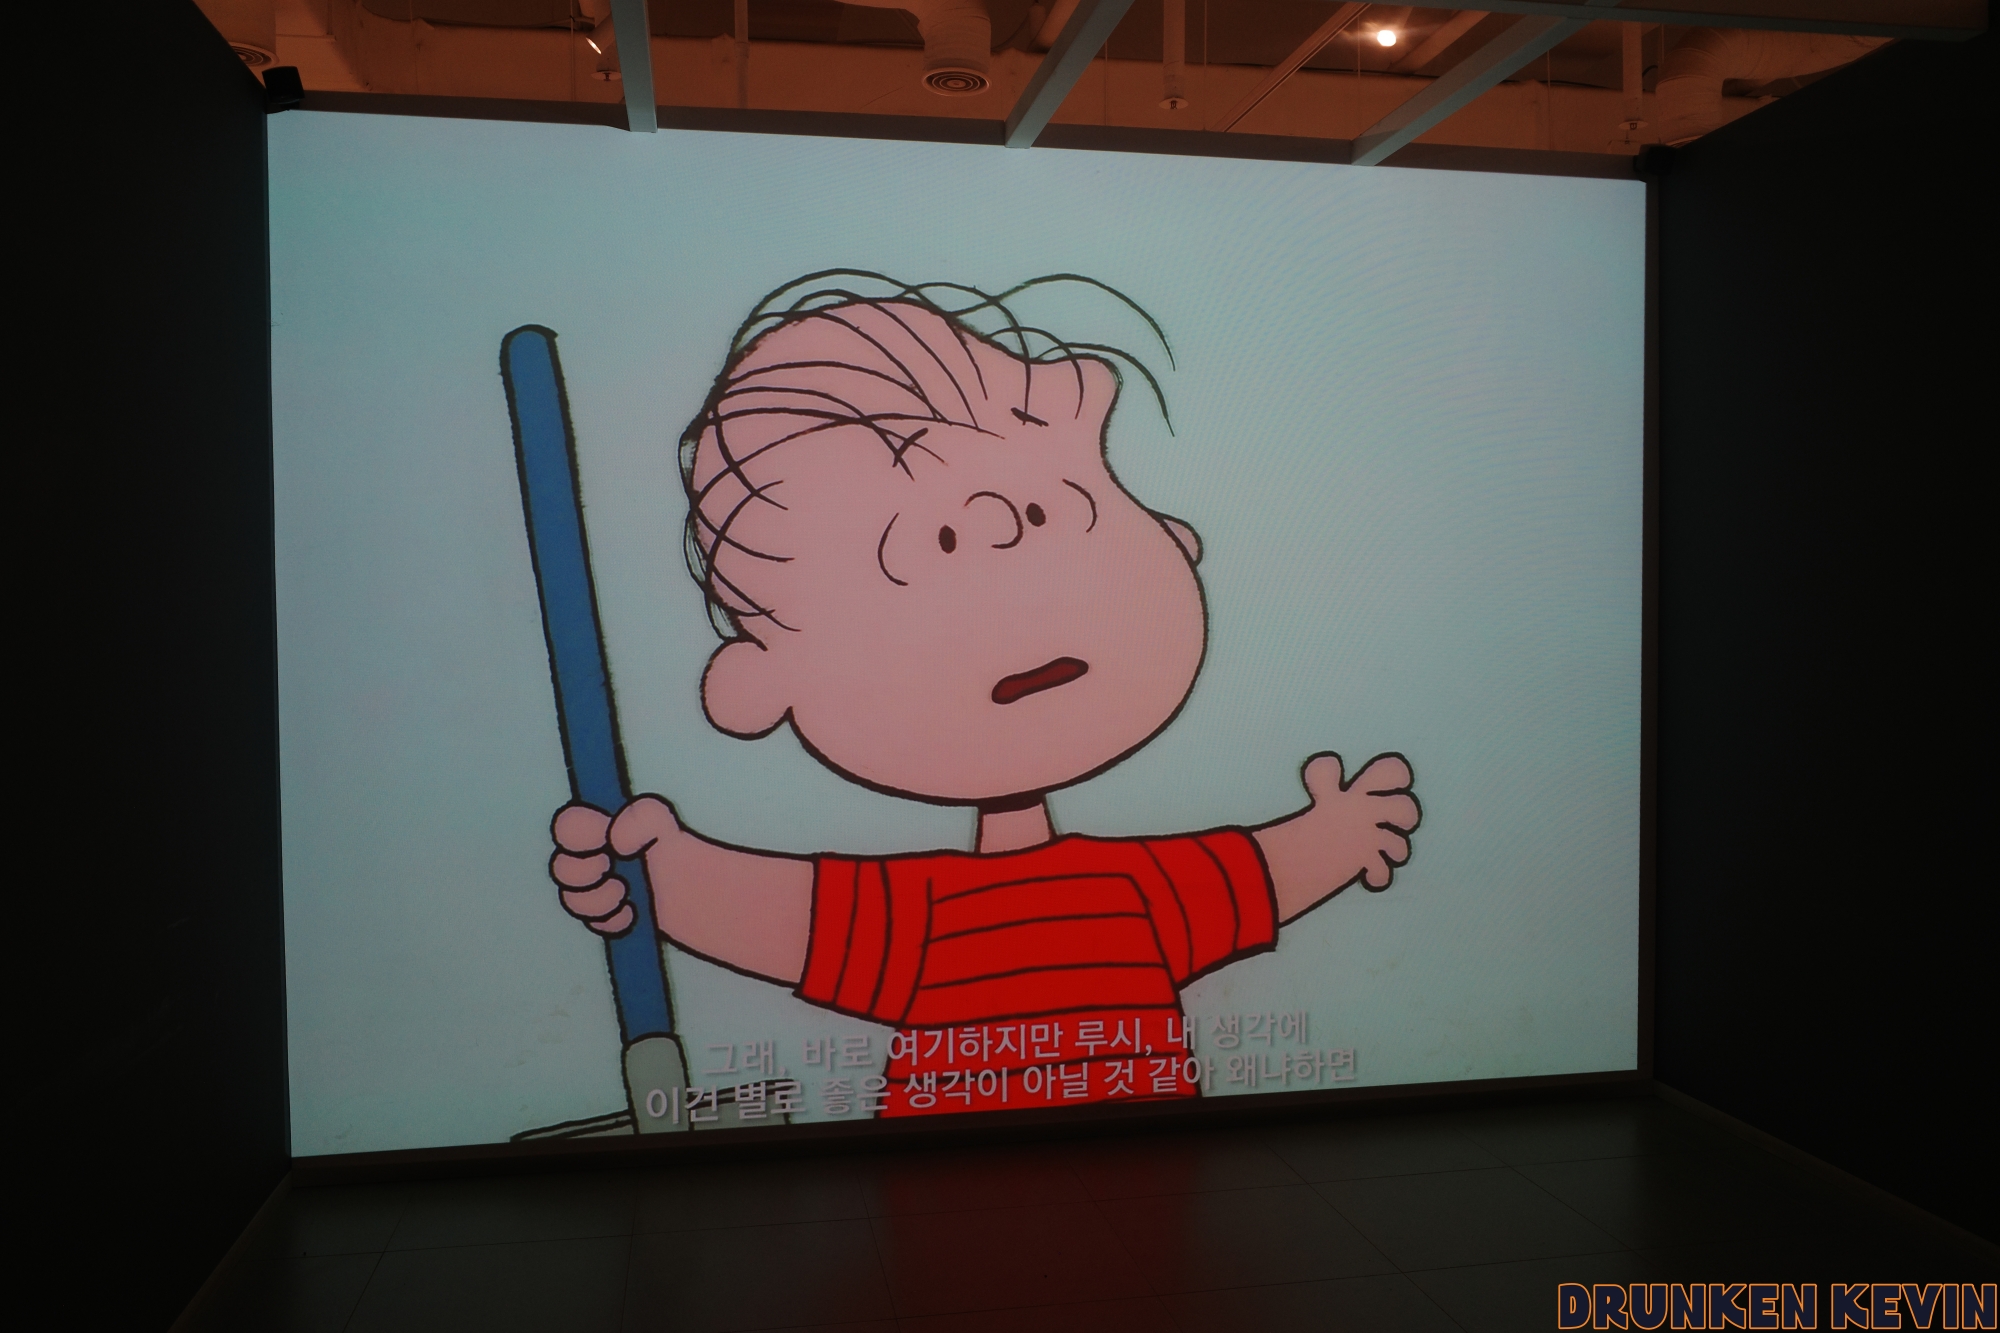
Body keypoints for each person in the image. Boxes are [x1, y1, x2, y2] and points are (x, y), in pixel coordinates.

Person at [548, 275, 1419, 1116]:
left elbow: (1260, 875)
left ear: (1171, 539)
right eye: (922, 554)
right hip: (940, 1190)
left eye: (1048, 513)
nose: (1001, 566)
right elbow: (779, 915)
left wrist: (1345, 830)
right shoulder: (915, 918)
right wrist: (652, 869)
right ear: (758, 679)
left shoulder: (1142, 889)